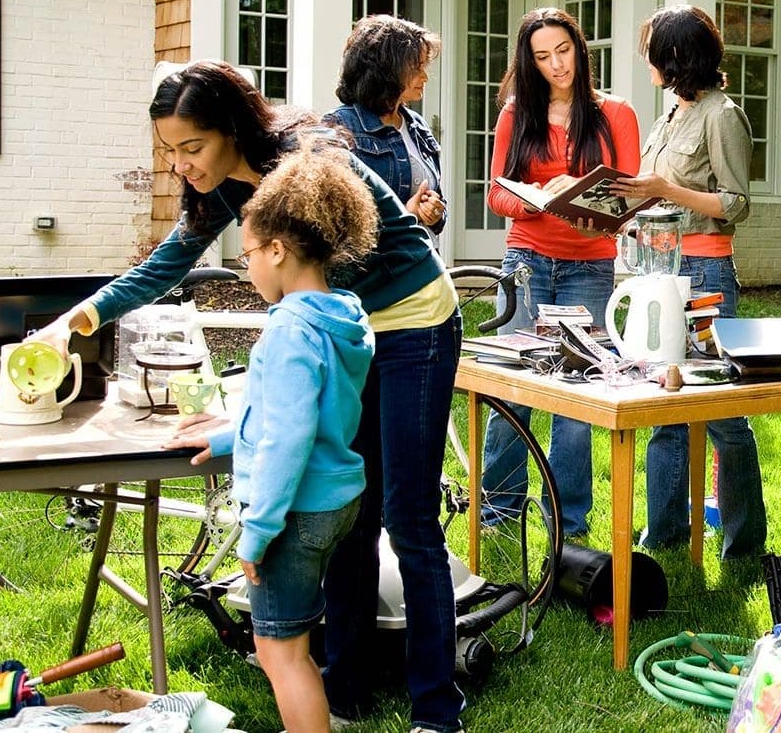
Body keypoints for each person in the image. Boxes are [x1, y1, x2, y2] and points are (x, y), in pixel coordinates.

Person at [42, 62, 466, 733]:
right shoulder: (221, 190)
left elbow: (330, 283)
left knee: (407, 518)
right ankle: (345, 688)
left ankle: (438, 710)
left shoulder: (304, 170)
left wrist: (259, 401)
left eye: (193, 148)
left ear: (232, 130)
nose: (182, 165)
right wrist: (76, 320)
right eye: (170, 152)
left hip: (412, 320)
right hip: (351, 327)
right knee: (346, 515)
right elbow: (164, 267)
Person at [165, 147, 375, 733]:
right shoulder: (341, 316)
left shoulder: (288, 330)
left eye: (248, 253)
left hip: (294, 511)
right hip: (335, 500)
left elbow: (288, 438)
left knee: (283, 653)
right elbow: (303, 412)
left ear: (278, 250)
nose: (246, 266)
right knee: (298, 640)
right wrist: (236, 437)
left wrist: (257, 532)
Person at [608, 4, 766, 558]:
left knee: (722, 410)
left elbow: (735, 203)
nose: (644, 59)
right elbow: (658, 189)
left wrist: (665, 190)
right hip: (659, 270)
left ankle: (744, 543)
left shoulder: (723, 115)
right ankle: (666, 536)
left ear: (674, 56)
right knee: (664, 408)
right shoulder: (670, 114)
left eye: (652, 49)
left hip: (705, 272)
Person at [481, 7, 641, 537]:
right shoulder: (515, 115)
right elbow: (497, 192)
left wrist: (585, 197)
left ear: (580, 48)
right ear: (529, 63)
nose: (556, 65)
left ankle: (567, 521)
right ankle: (499, 511)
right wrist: (538, 200)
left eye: (564, 52)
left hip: (589, 265)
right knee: (514, 385)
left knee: (576, 390)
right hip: (526, 260)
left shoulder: (615, 112)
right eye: (543, 57)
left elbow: (629, 191)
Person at [326, 14, 448, 236]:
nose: (425, 77)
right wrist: (406, 214)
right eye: (416, 68)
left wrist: (435, 211)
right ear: (387, 70)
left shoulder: (417, 125)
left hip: (420, 261)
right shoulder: (339, 126)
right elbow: (332, 217)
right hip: (373, 268)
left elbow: (438, 203)